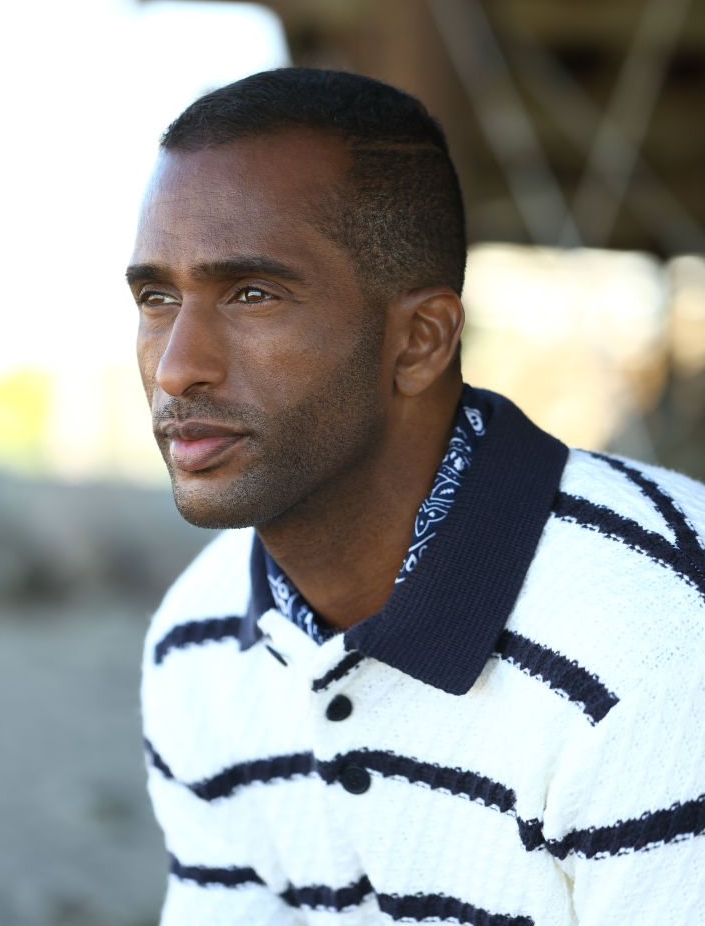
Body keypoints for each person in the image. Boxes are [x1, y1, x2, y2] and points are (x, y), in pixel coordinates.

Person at [128, 68, 705, 925]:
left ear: (420, 341)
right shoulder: (199, 640)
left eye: (252, 294)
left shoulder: (658, 646)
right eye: (156, 298)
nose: (178, 366)